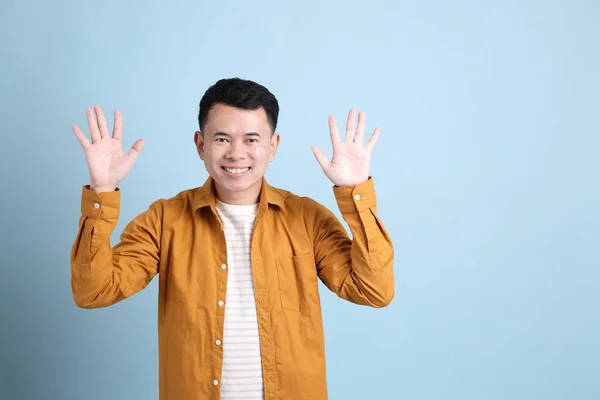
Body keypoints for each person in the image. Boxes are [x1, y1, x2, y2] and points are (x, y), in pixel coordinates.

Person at [70, 77, 394, 400]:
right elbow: (94, 292)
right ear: (200, 145)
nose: (236, 154)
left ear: (273, 146)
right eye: (222, 138)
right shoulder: (165, 219)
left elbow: (373, 290)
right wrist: (102, 190)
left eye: (252, 139)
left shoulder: (308, 219)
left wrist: (354, 193)